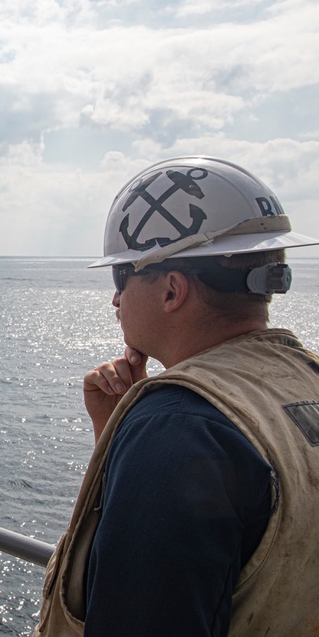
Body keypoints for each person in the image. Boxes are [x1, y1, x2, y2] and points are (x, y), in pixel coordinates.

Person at [34, 156, 319, 637]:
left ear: (171, 290)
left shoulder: (179, 429)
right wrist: (114, 431)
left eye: (122, 275)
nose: (115, 300)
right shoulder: (302, 378)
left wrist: (148, 433)